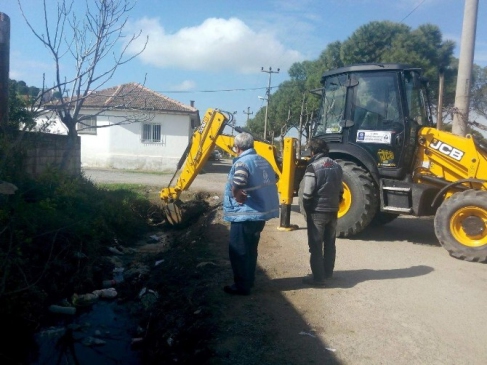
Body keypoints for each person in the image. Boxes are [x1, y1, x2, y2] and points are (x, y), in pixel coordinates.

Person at [222, 132, 279, 295]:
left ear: (237, 147)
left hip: (245, 214)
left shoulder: (242, 162)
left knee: (238, 251)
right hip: (259, 214)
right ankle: (249, 280)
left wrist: (236, 193)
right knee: (251, 249)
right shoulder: (262, 160)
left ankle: (241, 286)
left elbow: (239, 182)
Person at [301, 138, 343, 287]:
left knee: (316, 245)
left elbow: (307, 193)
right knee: (330, 243)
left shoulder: (313, 167)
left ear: (313, 151)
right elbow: (341, 190)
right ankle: (328, 273)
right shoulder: (337, 166)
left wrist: (307, 209)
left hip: (318, 211)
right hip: (333, 211)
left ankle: (318, 279)